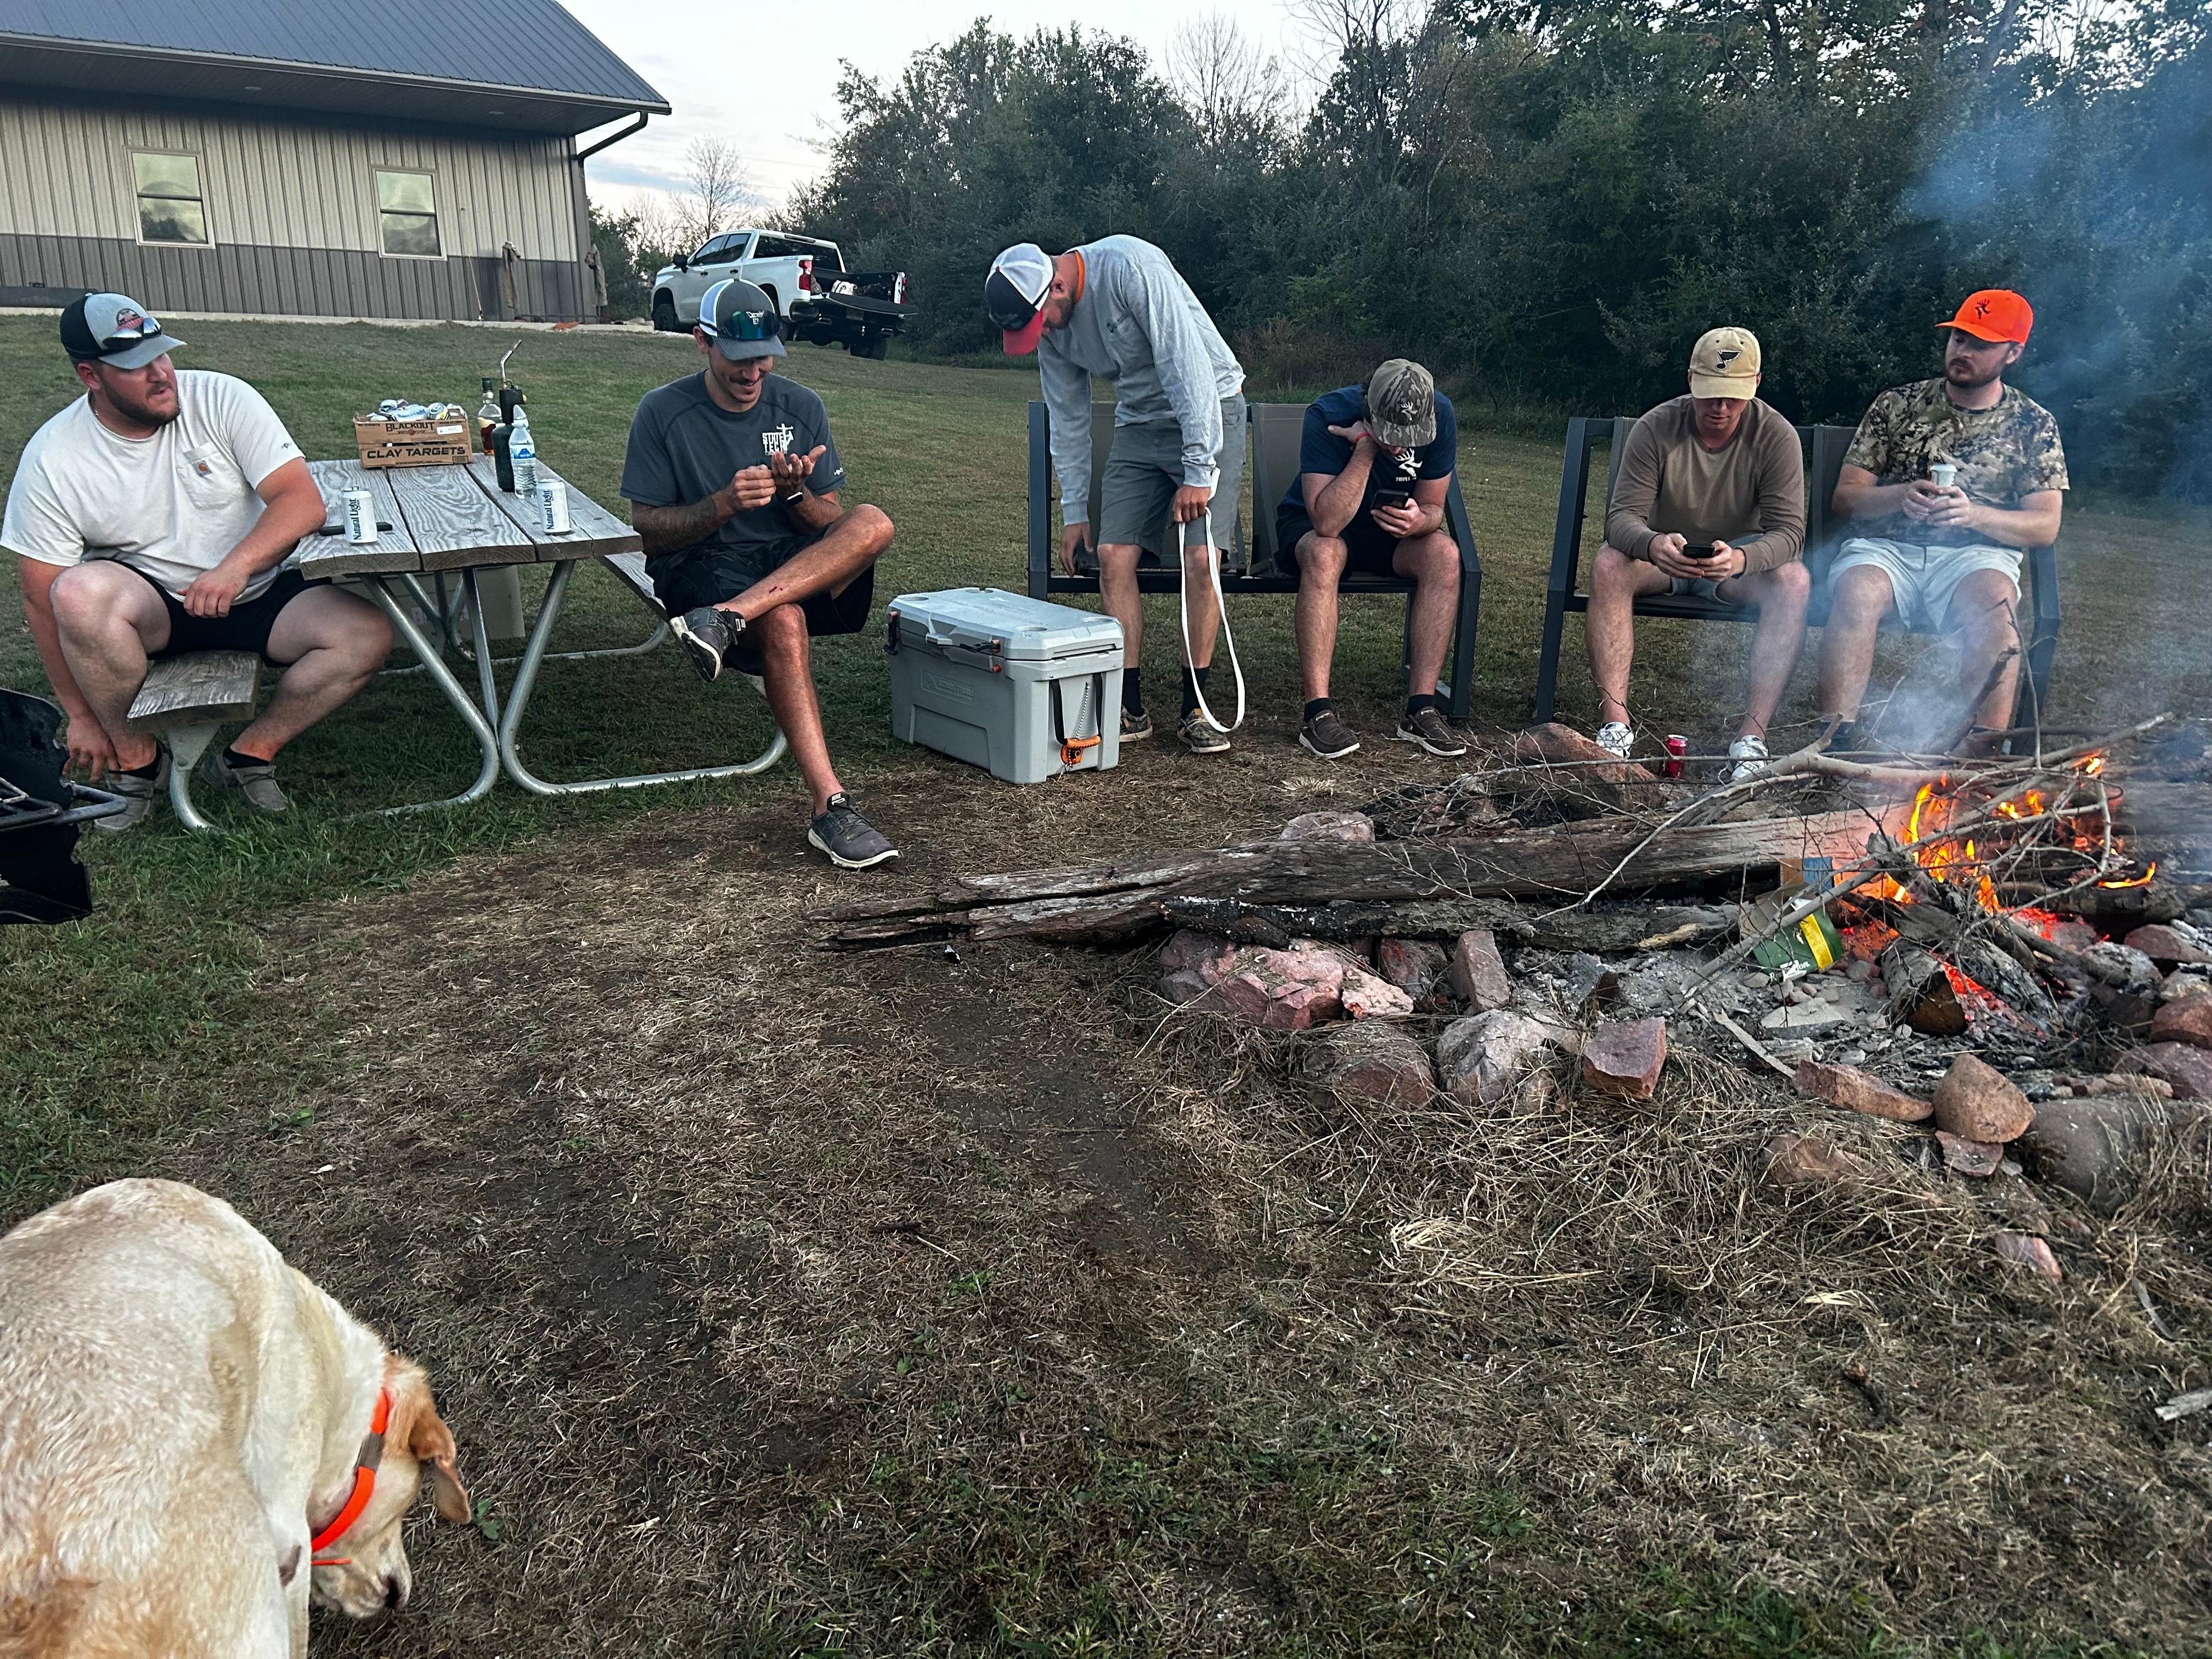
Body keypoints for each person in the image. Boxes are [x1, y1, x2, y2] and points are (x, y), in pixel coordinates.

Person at [2, 293, 391, 831]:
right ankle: (138, 763)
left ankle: (246, 758)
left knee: (365, 635)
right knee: (75, 593)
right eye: (136, 367)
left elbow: (301, 501)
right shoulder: (55, 457)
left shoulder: (223, 398)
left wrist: (235, 568)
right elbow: (39, 597)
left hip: (259, 594)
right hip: (154, 608)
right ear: (91, 376)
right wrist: (82, 716)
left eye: (162, 354)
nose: (161, 374)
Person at [622, 278, 899, 870]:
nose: (754, 374)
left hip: (783, 565)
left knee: (872, 522)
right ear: (703, 342)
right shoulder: (662, 412)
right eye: (740, 360)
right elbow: (646, 531)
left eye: (764, 359)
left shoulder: (801, 407)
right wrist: (720, 505)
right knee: (786, 618)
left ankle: (725, 623)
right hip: (701, 567)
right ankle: (832, 806)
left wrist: (797, 497)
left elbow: (831, 521)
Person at [985, 237, 1245, 753]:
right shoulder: (1051, 324)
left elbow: (1184, 362)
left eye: (1044, 322)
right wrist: (1075, 511)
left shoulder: (1131, 266)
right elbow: (1068, 416)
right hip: (1138, 425)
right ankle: (1129, 706)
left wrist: (1198, 468)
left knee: (1201, 557)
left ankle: (1197, 706)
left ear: (1056, 285)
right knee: (1111, 555)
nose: (1047, 335)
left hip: (1209, 407)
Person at [1819, 289, 2066, 755]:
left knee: (1996, 608)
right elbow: (1846, 499)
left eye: (1980, 344)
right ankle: (1835, 742)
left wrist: (1973, 514)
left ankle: (1979, 752)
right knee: (1857, 590)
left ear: (2013, 353)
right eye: (1958, 338)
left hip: (1976, 555)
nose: (1963, 351)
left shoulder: (2033, 424)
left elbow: (2044, 525)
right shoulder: (1898, 404)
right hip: (1886, 550)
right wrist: (1899, 495)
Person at [1588, 326, 1809, 780]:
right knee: (1610, 563)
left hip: (1737, 566)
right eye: (1710, 394)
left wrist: (1743, 560)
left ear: (1756, 384)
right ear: (1690, 380)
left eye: (1732, 396)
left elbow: (1789, 533)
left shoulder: (1776, 436)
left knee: (1794, 580)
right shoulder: (1656, 427)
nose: (1720, 407)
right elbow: (1621, 519)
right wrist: (1652, 544)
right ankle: (1615, 727)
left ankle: (1752, 737)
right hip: (1665, 555)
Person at [1275, 359, 1466, 759]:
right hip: (1316, 526)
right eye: (1390, 434)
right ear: (1367, 408)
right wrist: (1364, 449)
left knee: (1445, 555)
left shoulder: (1442, 413)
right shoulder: (1328, 414)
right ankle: (1318, 714)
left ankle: (1421, 708)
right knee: (1328, 553)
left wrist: (1417, 521)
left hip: (1390, 534)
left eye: (1408, 437)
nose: (1398, 447)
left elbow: (1433, 506)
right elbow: (1325, 521)